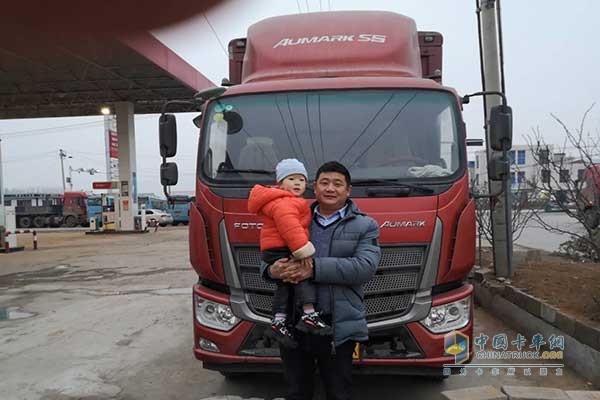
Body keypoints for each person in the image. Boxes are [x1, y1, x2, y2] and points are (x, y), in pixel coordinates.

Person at [260, 161, 381, 400]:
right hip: (295, 325)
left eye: (338, 184)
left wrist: (313, 269)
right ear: (314, 188)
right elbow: (268, 255)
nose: (330, 188)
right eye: (324, 183)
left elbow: (365, 268)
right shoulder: (296, 217)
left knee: (338, 392)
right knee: (297, 391)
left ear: (348, 191)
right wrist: (272, 270)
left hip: (338, 325)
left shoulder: (365, 225)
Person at [248, 159, 332, 348]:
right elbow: (291, 229)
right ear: (280, 184)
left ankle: (278, 320)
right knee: (302, 275)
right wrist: (304, 252)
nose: (297, 183)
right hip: (283, 247)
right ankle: (309, 314)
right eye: (291, 178)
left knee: (284, 284)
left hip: (273, 248)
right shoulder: (286, 203)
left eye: (301, 180)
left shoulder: (282, 201)